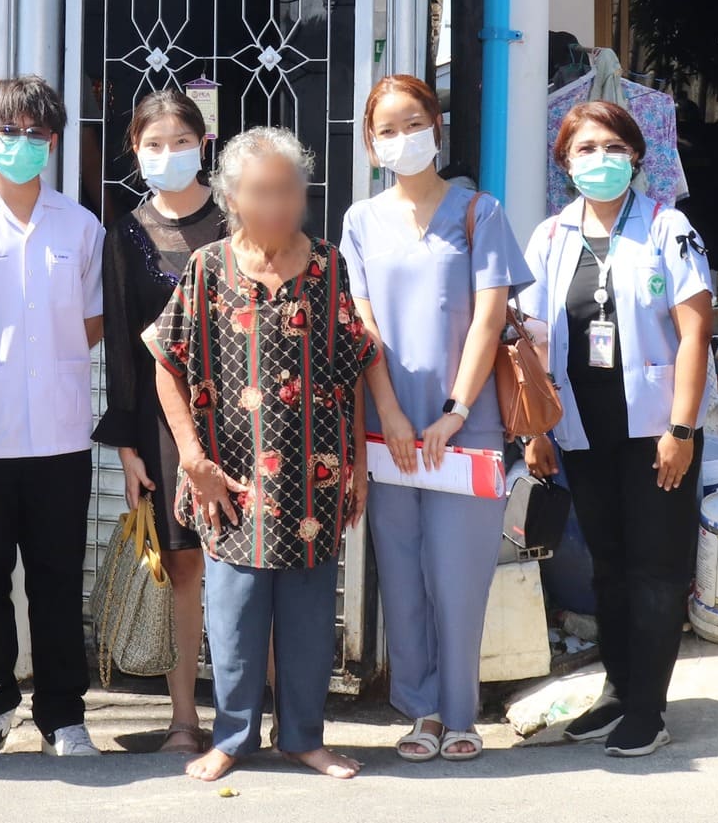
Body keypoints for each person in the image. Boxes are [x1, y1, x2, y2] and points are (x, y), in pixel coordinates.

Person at [148, 126, 376, 784]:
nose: (276, 204)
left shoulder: (328, 265)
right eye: (260, 192)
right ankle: (232, 737)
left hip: (315, 476)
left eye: (287, 190)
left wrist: (358, 465)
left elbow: (352, 367)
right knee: (235, 616)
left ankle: (304, 738)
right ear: (232, 198)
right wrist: (192, 457)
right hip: (230, 476)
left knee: (309, 618)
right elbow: (167, 363)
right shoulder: (208, 267)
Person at [340, 75, 530, 763]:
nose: (402, 138)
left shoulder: (480, 211)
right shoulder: (360, 221)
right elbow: (361, 324)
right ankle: (419, 710)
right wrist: (389, 410)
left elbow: (489, 318)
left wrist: (456, 409)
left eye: (413, 123)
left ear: (437, 128)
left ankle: (460, 712)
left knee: (459, 572)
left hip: (465, 423)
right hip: (387, 424)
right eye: (387, 130)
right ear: (371, 144)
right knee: (401, 571)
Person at [518, 100, 714, 759]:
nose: (599, 159)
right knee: (608, 565)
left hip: (657, 430)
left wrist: (682, 429)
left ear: (635, 156)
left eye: (612, 147)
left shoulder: (667, 227)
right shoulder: (551, 237)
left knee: (656, 568)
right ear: (565, 162)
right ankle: (618, 688)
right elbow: (531, 339)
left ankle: (649, 708)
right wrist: (535, 430)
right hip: (582, 428)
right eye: (585, 149)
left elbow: (695, 333)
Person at [0, 75, 105, 759]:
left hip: (60, 435)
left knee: (58, 579)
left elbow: (91, 320)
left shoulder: (80, 226)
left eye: (37, 133)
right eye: (10, 131)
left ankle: (64, 716)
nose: (23, 143)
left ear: (53, 141)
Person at [91, 89, 223, 755]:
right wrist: (127, 447)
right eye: (153, 144)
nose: (167, 154)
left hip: (246, 420)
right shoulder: (126, 234)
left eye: (180, 141)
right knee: (182, 565)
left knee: (256, 568)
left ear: (204, 144)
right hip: (162, 426)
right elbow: (120, 344)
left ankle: (265, 715)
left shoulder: (236, 217)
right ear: (135, 151)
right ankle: (184, 718)